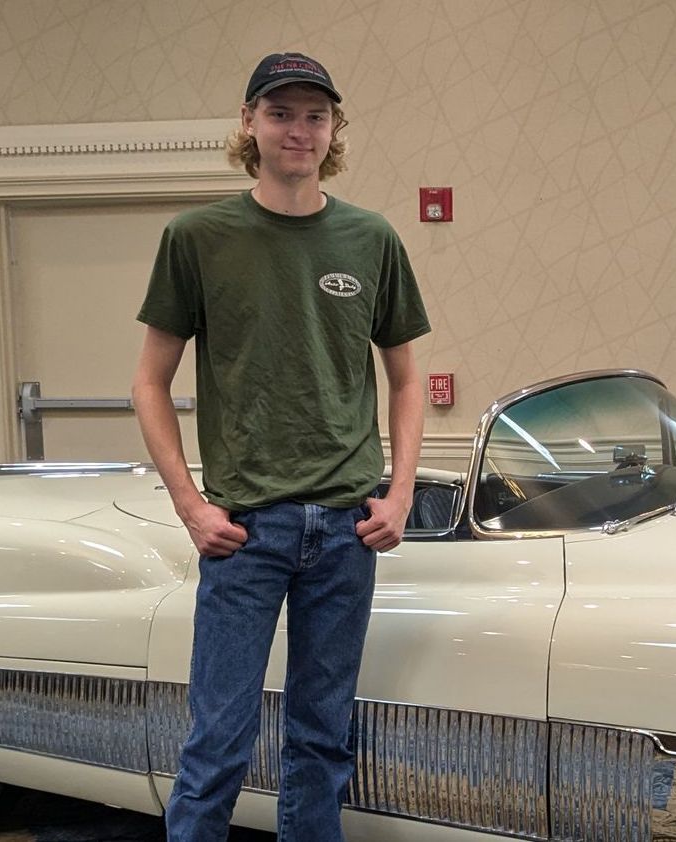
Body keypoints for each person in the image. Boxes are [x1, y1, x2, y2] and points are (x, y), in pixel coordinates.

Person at [132, 51, 430, 842]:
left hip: (346, 528)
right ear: (248, 123)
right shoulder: (198, 237)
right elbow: (149, 383)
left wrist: (399, 493)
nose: (298, 130)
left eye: (314, 115)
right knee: (218, 744)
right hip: (244, 532)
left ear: (333, 129)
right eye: (280, 113)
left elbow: (405, 381)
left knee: (321, 742)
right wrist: (191, 506)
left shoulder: (371, 238)